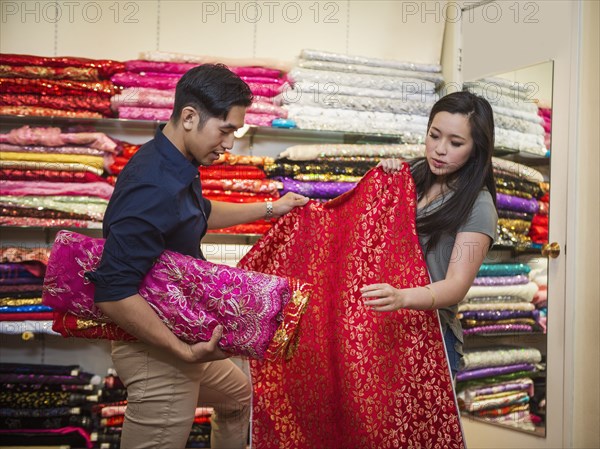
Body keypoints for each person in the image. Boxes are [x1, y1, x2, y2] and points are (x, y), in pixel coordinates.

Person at [86, 64, 308, 449]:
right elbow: (112, 291)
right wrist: (181, 351)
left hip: (179, 334)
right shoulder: (153, 183)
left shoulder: (175, 163)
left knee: (240, 398)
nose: (229, 144)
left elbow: (198, 212)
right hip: (158, 350)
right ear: (189, 117)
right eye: (225, 131)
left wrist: (272, 209)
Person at [361, 90, 499, 378]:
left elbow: (456, 286)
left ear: (477, 148)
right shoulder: (411, 175)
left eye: (455, 142)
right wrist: (379, 181)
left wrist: (402, 298)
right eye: (434, 135)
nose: (439, 149)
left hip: (431, 337)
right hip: (384, 329)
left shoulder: (479, 205)